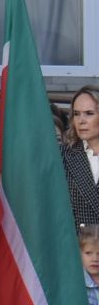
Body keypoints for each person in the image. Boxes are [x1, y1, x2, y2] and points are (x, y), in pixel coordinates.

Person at [61, 86, 99, 225]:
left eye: (89, 113)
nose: (81, 120)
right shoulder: (61, 155)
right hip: (74, 244)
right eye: (77, 114)